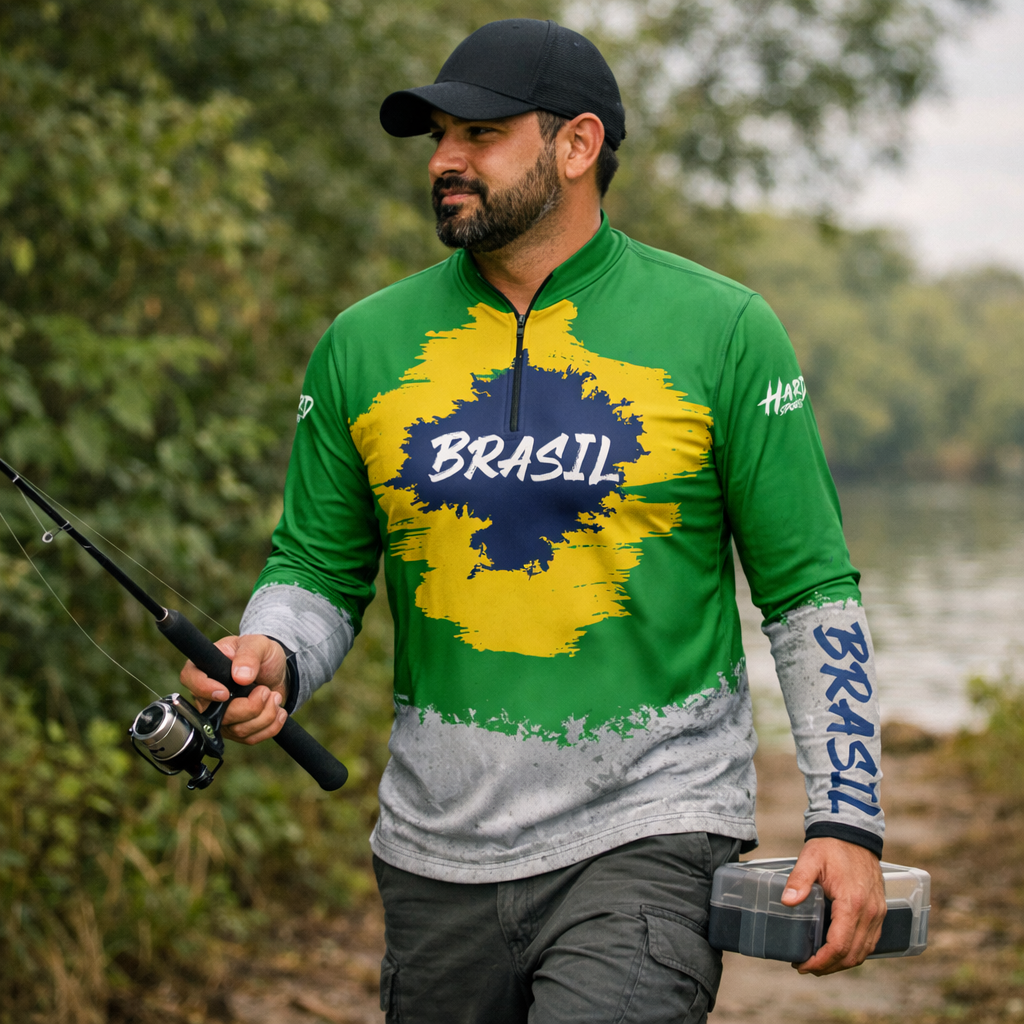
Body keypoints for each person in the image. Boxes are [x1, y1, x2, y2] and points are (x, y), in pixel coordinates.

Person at [180, 18, 888, 1023]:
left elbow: (809, 589)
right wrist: (272, 653)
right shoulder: (363, 344)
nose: (446, 160)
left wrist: (847, 819)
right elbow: (318, 569)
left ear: (578, 144)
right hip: (433, 853)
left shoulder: (724, 330)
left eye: (480, 133)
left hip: (651, 830)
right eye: (438, 137)